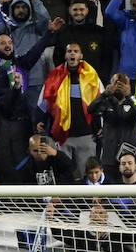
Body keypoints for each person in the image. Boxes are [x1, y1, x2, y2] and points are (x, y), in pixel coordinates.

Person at [38, 42, 103, 175]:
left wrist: (102, 125)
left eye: (75, 51)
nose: (72, 53)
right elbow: (44, 103)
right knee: (64, 175)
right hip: (62, 136)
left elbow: (102, 103)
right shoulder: (54, 76)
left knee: (88, 175)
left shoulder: (92, 76)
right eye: (69, 51)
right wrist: (39, 121)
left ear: (81, 55)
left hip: (86, 135)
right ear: (65, 55)